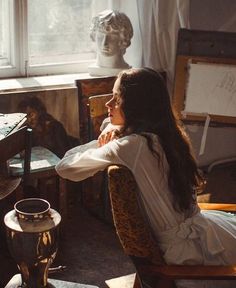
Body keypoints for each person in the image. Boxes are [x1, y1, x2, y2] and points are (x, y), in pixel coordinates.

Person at [56, 68, 236, 288]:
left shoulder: (131, 146)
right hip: (203, 233)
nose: (108, 104)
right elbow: (108, 126)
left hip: (187, 255)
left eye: (117, 98)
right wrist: (113, 128)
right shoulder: (168, 135)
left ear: (136, 106)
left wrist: (100, 142)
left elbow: (64, 168)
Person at [89, 9, 133, 76]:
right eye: (100, 35)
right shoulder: (93, 69)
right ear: (94, 35)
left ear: (123, 38)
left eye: (112, 36)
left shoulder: (126, 72)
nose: (104, 43)